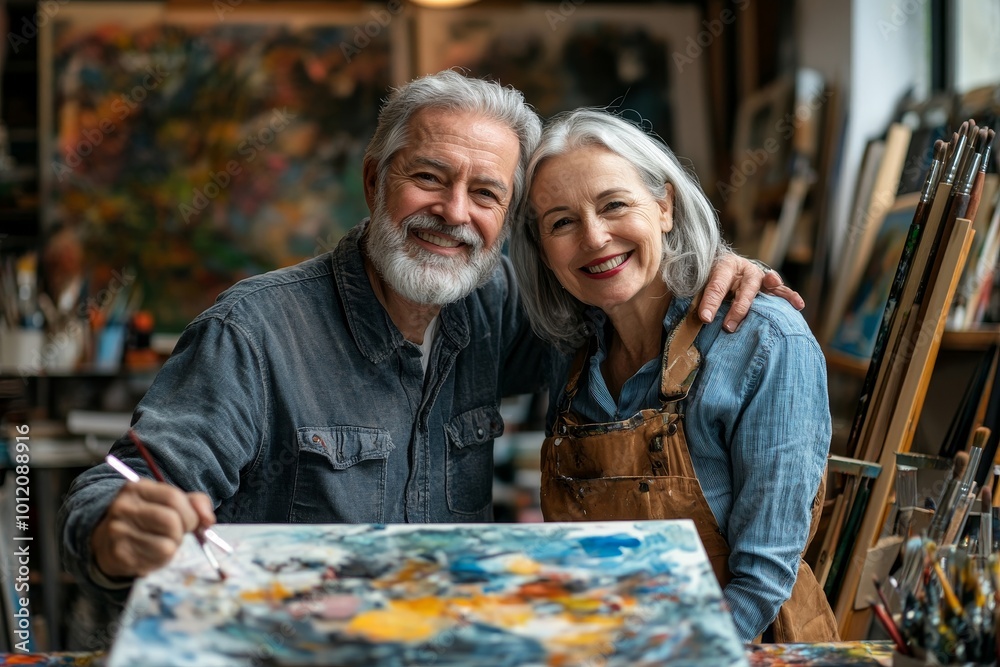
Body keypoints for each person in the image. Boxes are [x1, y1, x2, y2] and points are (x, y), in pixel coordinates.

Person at [59, 71, 800, 606]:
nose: (454, 213)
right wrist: (115, 532)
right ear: (375, 180)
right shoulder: (252, 333)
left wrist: (711, 269)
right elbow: (109, 491)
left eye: (486, 193)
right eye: (428, 177)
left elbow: (617, 299)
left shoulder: (498, 306)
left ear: (508, 222)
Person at [510, 108, 836, 643]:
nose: (594, 238)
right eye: (561, 222)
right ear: (544, 251)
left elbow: (759, 583)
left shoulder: (763, 339)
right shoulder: (567, 354)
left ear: (664, 206)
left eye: (614, 204)